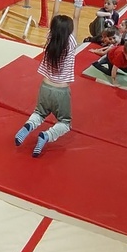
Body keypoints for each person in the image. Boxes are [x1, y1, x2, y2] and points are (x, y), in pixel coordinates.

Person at [14, 14, 77, 157]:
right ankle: (46, 135)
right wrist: (78, 0)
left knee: (39, 113)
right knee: (65, 122)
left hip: (45, 86)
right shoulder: (71, 42)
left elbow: (54, 16)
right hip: (61, 90)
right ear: (69, 31)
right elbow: (76, 16)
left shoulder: (50, 39)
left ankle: (29, 126)